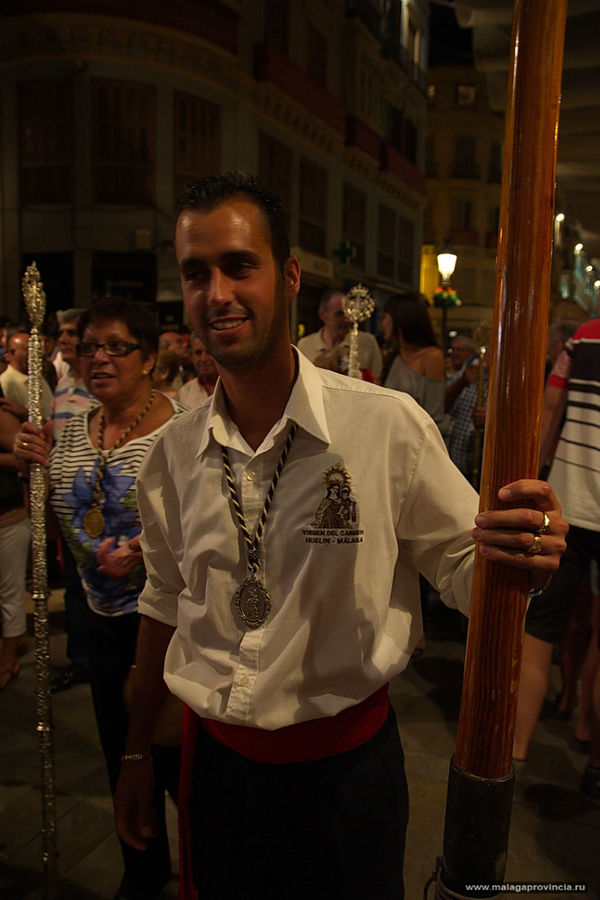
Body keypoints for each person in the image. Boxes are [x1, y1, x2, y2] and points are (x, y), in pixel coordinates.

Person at [112, 174, 567, 900]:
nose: (217, 293)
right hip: (217, 772)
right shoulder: (171, 454)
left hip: (348, 776)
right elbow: (163, 601)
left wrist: (523, 556)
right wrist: (137, 751)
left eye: (240, 265)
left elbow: (459, 568)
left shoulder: (383, 426)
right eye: (197, 273)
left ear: (289, 275)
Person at [15, 298, 186, 899]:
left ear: (149, 359)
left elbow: (204, 522)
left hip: (168, 624)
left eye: (117, 346)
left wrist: (145, 548)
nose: (100, 359)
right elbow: (60, 516)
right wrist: (31, 465)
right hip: (98, 618)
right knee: (121, 754)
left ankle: (206, 872)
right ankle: (141, 869)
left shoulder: (181, 426)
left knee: (172, 759)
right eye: (90, 347)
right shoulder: (72, 430)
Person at [512, 318, 600, 803]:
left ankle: (517, 753)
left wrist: (536, 474)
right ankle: (593, 755)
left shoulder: (585, 338)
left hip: (567, 505)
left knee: (540, 631)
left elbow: (549, 410)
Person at [49, 309, 99, 693]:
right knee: (72, 586)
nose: (64, 340)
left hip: (95, 504)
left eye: (71, 334)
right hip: (66, 502)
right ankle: (81, 658)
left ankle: (95, 660)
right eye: (61, 333)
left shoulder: (96, 389)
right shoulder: (63, 384)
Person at [381, 292, 446, 430]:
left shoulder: (431, 356)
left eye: (387, 317)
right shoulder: (396, 357)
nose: (383, 323)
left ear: (400, 320)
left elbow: (434, 414)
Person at [0, 406, 29, 689]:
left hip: (7, 516)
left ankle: (8, 659)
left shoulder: (1, 414)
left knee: (10, 592)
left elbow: (22, 457)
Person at [297, 287, 383, 381]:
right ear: (322, 314)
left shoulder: (367, 343)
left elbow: (378, 383)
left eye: (349, 312)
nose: (347, 319)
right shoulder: (305, 346)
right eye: (340, 314)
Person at [0, 329, 53, 422]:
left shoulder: (37, 377)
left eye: (37, 349)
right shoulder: (6, 382)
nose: (36, 354)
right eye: (29, 350)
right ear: (13, 352)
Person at [176, 334, 218, 407]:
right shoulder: (185, 391)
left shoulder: (234, 388)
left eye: (209, 352)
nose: (204, 359)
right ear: (191, 356)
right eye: (198, 353)